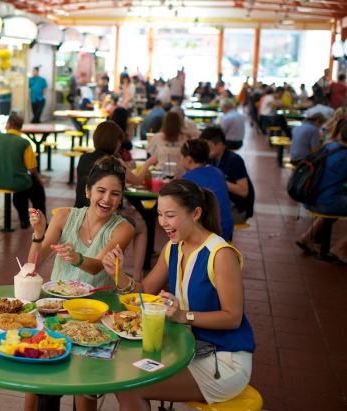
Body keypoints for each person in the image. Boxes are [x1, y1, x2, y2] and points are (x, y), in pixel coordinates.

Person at [99, 179, 254, 411]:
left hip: (223, 360)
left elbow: (233, 317)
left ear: (196, 213)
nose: (162, 222)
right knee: (125, 376)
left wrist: (184, 316)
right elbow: (144, 292)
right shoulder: (174, 247)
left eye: (170, 215)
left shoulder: (220, 254)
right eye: (160, 214)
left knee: (131, 386)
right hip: (187, 350)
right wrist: (118, 275)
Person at [25, 155, 135, 410]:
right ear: (87, 191)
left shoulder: (123, 228)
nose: (107, 199)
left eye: (115, 194)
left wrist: (76, 258)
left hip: (94, 314)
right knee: (39, 375)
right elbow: (33, 265)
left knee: (84, 384)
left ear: (121, 197)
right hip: (56, 308)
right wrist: (39, 234)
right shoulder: (64, 217)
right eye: (101, 191)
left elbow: (98, 264)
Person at [75, 121, 157, 281]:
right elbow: (139, 180)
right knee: (142, 226)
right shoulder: (114, 163)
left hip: (79, 213)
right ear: (115, 142)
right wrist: (148, 163)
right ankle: (138, 274)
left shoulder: (84, 158)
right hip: (100, 218)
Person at [296, 125, 347, 262]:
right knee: (334, 201)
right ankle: (340, 248)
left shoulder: (327, 147)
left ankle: (307, 237)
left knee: (333, 201)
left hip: (308, 199)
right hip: (324, 203)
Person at [0, 114, 46, 229]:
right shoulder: (24, 143)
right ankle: (40, 220)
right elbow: (32, 168)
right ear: (20, 127)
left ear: (9, 124)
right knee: (36, 189)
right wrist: (39, 179)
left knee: (22, 189)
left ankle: (24, 219)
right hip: (17, 181)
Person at [199, 127, 255, 225]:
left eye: (208, 146)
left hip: (239, 210)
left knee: (205, 220)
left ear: (219, 145)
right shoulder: (214, 159)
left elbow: (244, 191)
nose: (205, 150)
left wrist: (220, 182)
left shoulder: (235, 160)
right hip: (226, 204)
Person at [181, 139, 234, 241]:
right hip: (227, 228)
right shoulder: (218, 171)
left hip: (209, 232)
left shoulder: (188, 178)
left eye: (181, 156)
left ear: (188, 159)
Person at [147, 111, 189, 177]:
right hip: (180, 175)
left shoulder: (157, 137)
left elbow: (150, 155)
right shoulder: (184, 138)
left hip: (160, 174)